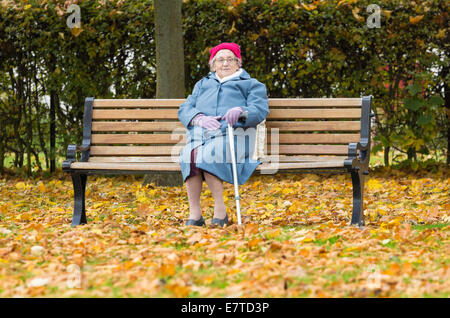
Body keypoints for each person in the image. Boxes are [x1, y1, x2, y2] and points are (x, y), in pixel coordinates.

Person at [178, 42, 269, 227]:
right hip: (202, 136)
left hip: (235, 136)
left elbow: (259, 109)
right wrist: (199, 118)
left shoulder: (251, 84)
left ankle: (220, 211)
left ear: (238, 63)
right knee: (188, 154)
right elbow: (185, 108)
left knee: (212, 153)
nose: (225, 63)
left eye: (230, 59)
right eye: (220, 60)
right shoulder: (203, 84)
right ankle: (195, 214)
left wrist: (241, 111)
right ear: (213, 64)